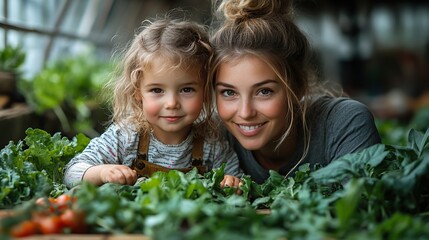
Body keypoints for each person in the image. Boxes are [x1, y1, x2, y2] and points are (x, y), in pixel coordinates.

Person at [209, 0, 381, 184]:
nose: (245, 112)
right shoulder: (212, 139)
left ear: (298, 87)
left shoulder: (345, 124)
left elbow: (358, 206)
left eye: (264, 91)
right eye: (228, 93)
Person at [64, 17, 242, 189]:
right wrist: (102, 172)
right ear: (138, 93)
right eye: (157, 90)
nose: (172, 103)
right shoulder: (124, 137)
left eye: (187, 89)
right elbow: (71, 173)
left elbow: (239, 181)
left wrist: (232, 183)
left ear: (204, 91)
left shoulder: (212, 146)